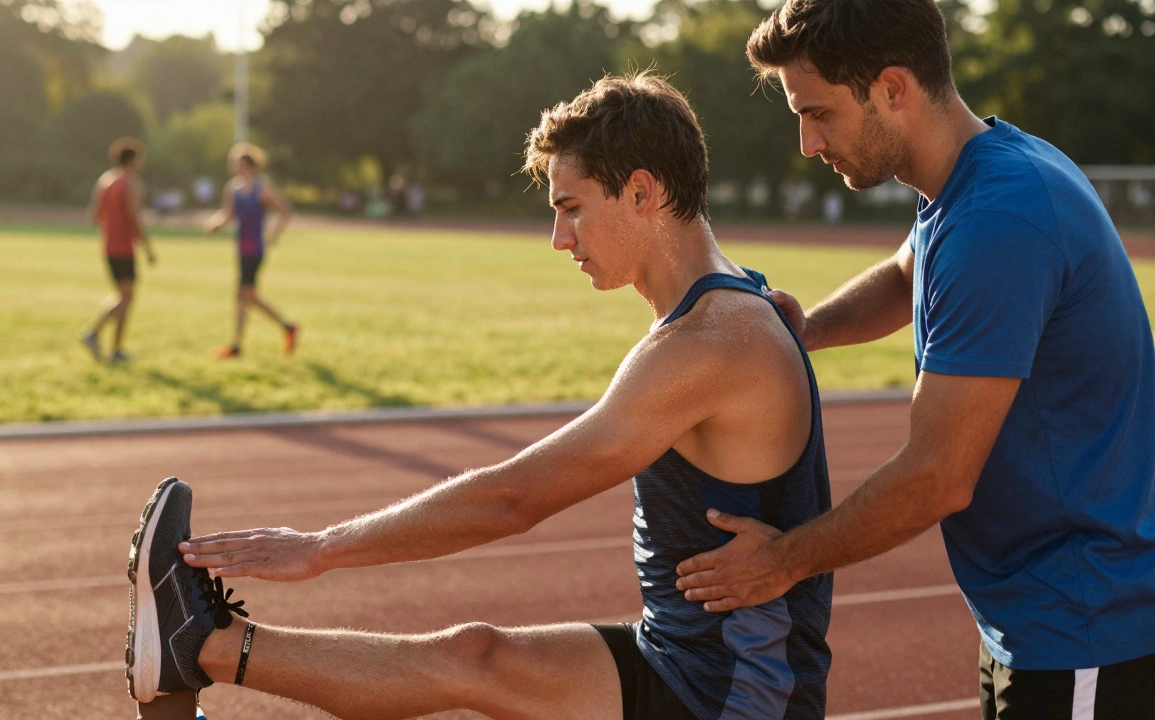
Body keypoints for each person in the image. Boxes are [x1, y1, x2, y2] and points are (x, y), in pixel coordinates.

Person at [127, 73, 835, 720]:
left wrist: (318, 549)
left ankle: (202, 644)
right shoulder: (732, 306)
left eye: (572, 208)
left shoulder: (707, 342)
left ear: (642, 193)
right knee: (475, 656)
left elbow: (512, 500)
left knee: (474, 665)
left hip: (735, 697)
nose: (559, 238)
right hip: (680, 656)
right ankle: (199, 644)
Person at [671, 2, 1155, 718]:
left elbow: (936, 477)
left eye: (818, 113)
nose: (807, 143)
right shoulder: (974, 177)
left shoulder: (997, 218)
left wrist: (779, 562)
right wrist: (804, 331)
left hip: (1085, 623)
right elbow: (907, 274)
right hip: (1034, 618)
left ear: (892, 88)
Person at [204, 143, 299, 358]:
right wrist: (215, 223)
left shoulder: (261, 189)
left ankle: (284, 327)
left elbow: (285, 211)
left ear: (247, 164)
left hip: (255, 248)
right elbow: (227, 214)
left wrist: (274, 235)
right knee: (244, 296)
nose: (232, 165)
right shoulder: (233, 188)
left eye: (236, 162)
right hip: (241, 246)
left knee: (245, 295)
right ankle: (241, 343)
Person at [83, 137, 157, 363]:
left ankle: (98, 336)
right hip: (124, 247)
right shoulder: (131, 184)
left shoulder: (105, 181)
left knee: (122, 294)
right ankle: (111, 345)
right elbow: (135, 217)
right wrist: (147, 247)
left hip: (108, 246)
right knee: (127, 297)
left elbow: (94, 216)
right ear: (134, 160)